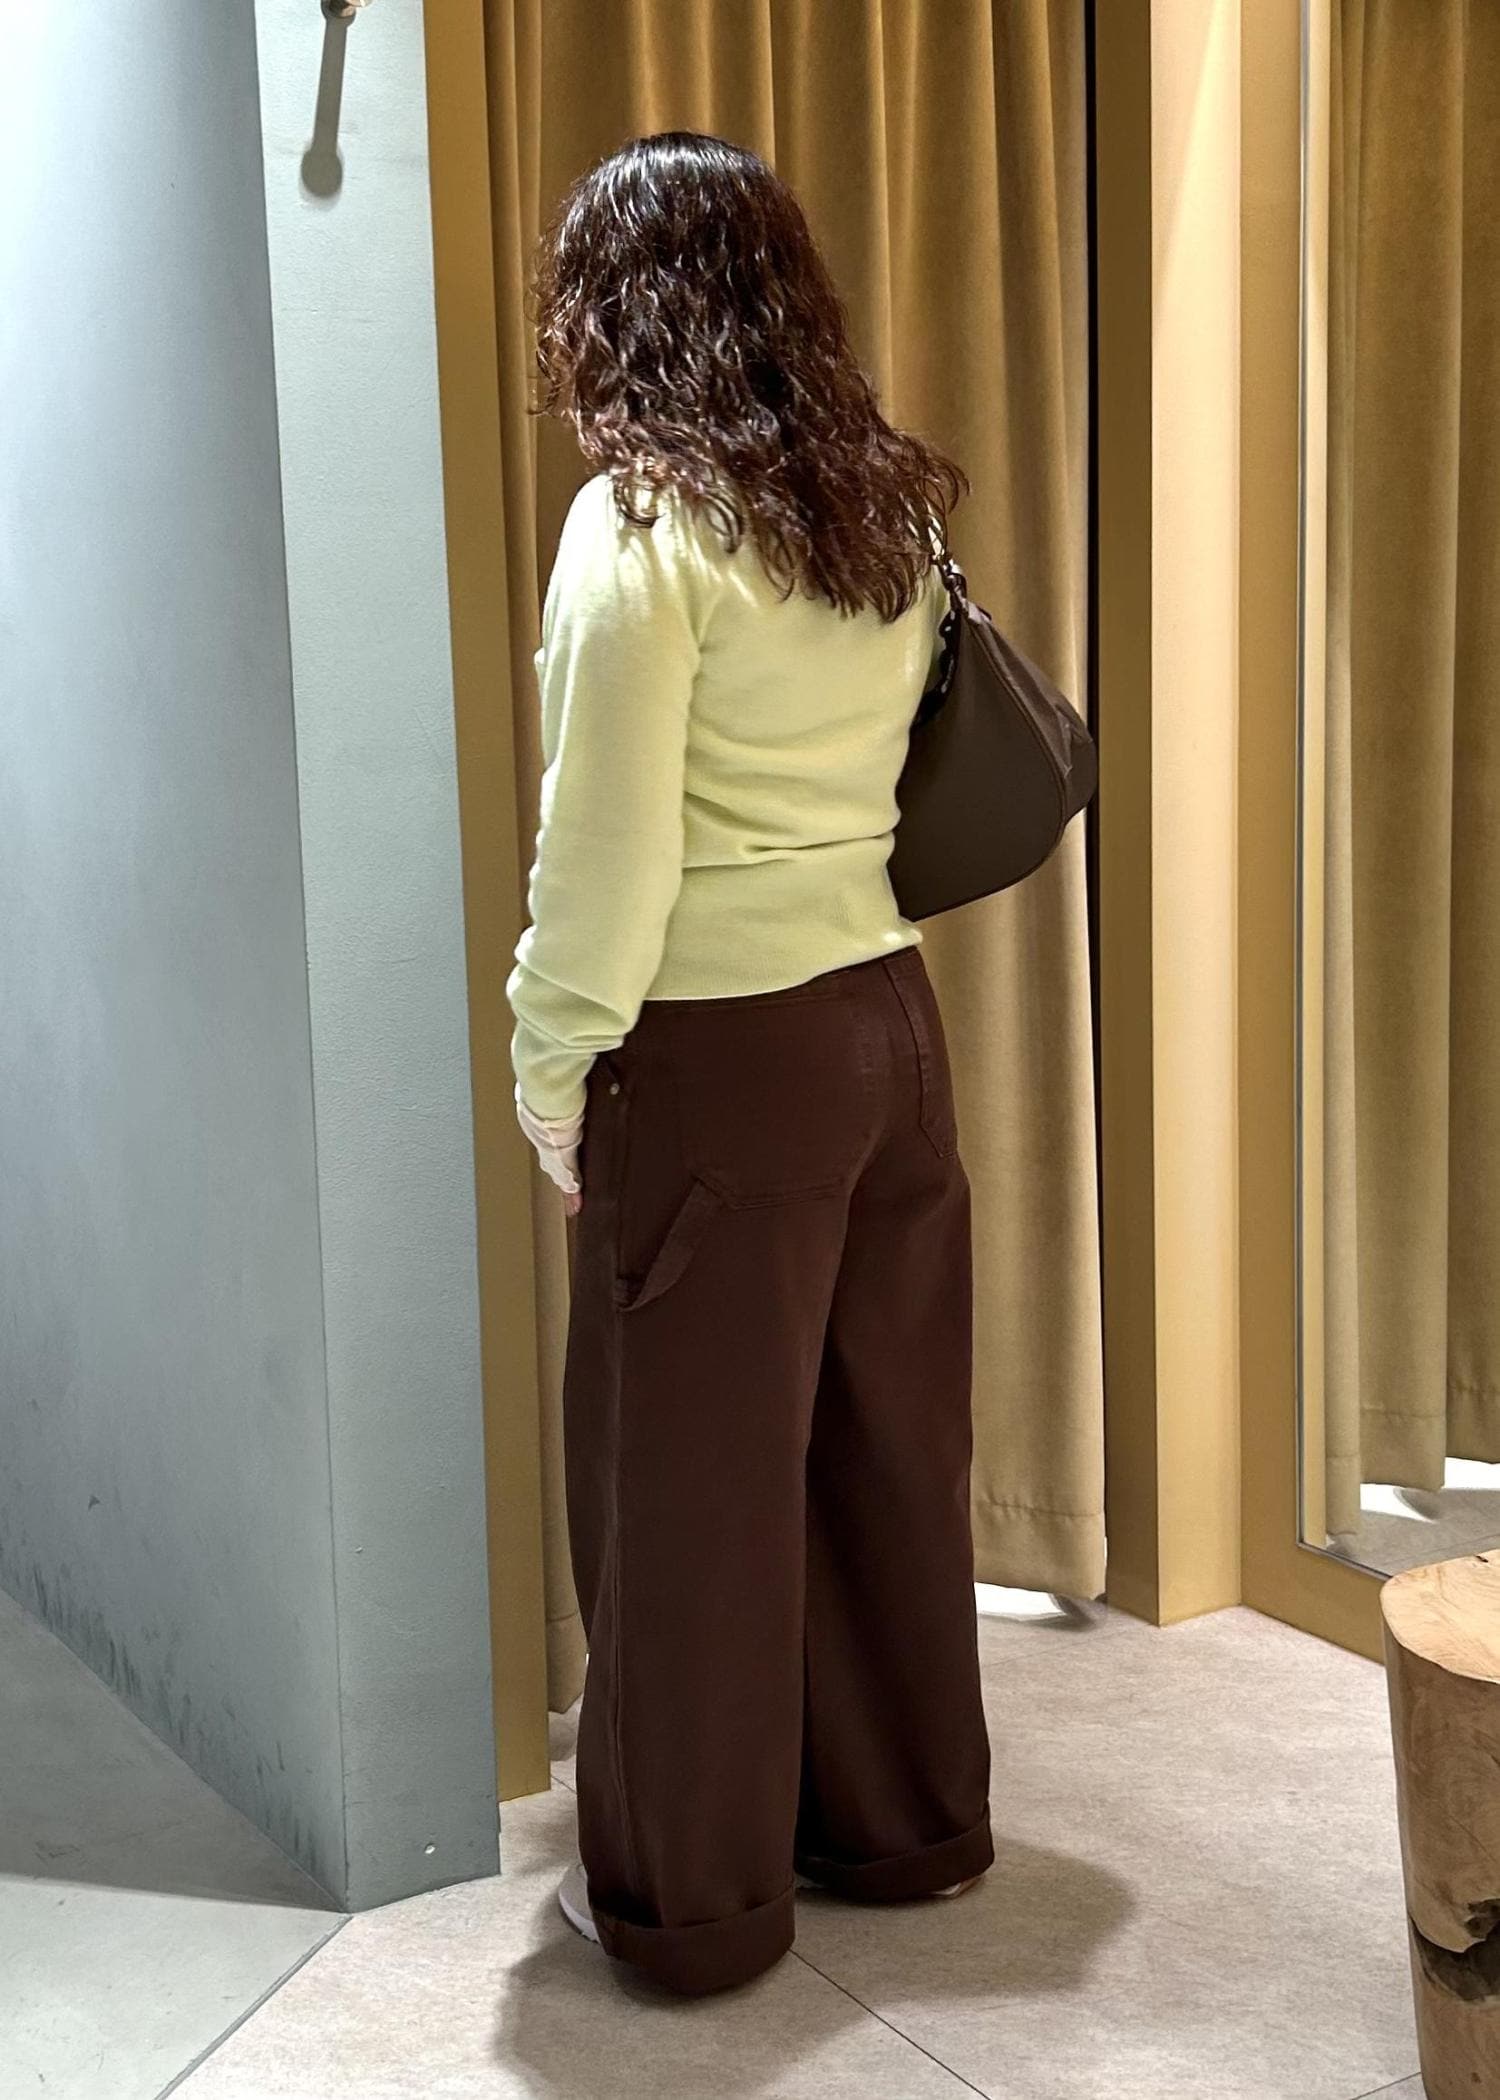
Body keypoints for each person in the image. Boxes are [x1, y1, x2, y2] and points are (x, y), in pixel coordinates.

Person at [506, 129, 993, 1997]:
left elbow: (605, 853)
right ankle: (901, 1828)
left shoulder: (642, 530)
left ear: (615, 305)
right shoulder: (877, 508)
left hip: (716, 1057)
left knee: (687, 1487)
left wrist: (552, 1072)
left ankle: (690, 1907)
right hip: (889, 1031)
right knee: (883, 1448)